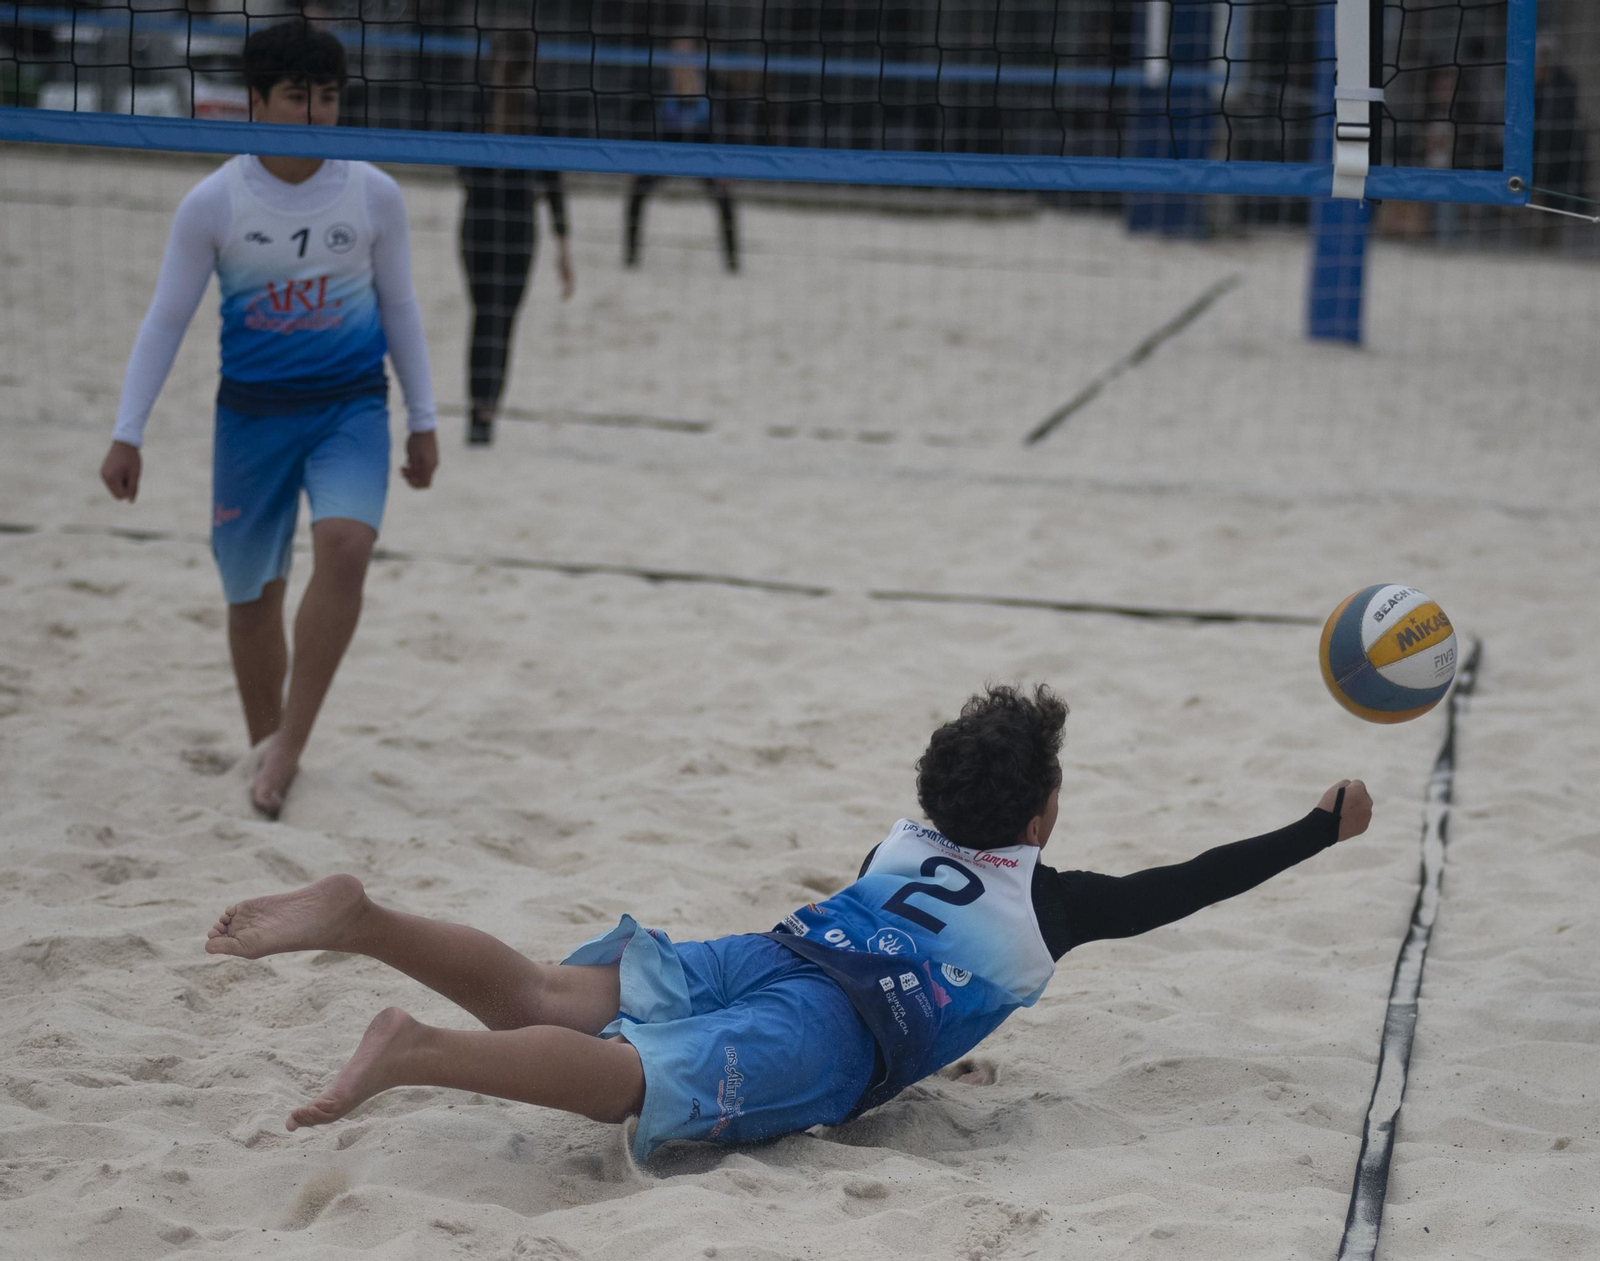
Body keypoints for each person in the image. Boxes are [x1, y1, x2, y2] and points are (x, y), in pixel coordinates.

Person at [204, 684, 1373, 1163]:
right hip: (834, 1030)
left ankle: (370, 918)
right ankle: (414, 1051)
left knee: (552, 994)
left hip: (777, 945)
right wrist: (1319, 825)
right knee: (630, 1081)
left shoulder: (896, 842)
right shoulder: (1053, 905)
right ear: (1043, 812)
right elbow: (1199, 879)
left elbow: (903, 923)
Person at [98, 20, 439, 818]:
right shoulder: (214, 200)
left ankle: (289, 746)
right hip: (250, 417)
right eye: (298, 96)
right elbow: (165, 319)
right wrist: (127, 428)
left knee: (347, 546)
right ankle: (266, 748)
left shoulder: (372, 192)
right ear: (255, 101)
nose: (317, 113)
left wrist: (423, 418)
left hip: (350, 406)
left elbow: (402, 307)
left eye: (328, 97)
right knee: (252, 598)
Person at [459, 31, 575, 447]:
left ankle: (476, 410)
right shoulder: (537, 109)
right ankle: (487, 412)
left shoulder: (476, 105)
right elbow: (555, 182)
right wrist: (563, 244)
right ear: (532, 65)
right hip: (517, 224)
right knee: (501, 324)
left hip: (477, 220)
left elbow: (461, 172)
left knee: (483, 318)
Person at [623, 37, 739, 273]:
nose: (682, 61)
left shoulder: (712, 86)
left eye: (687, 55)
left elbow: (725, 129)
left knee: (725, 198)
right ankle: (631, 257)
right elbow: (643, 126)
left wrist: (725, 166)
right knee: (637, 192)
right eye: (676, 56)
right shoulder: (658, 86)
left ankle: (732, 262)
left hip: (702, 148)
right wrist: (637, 162)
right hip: (667, 147)